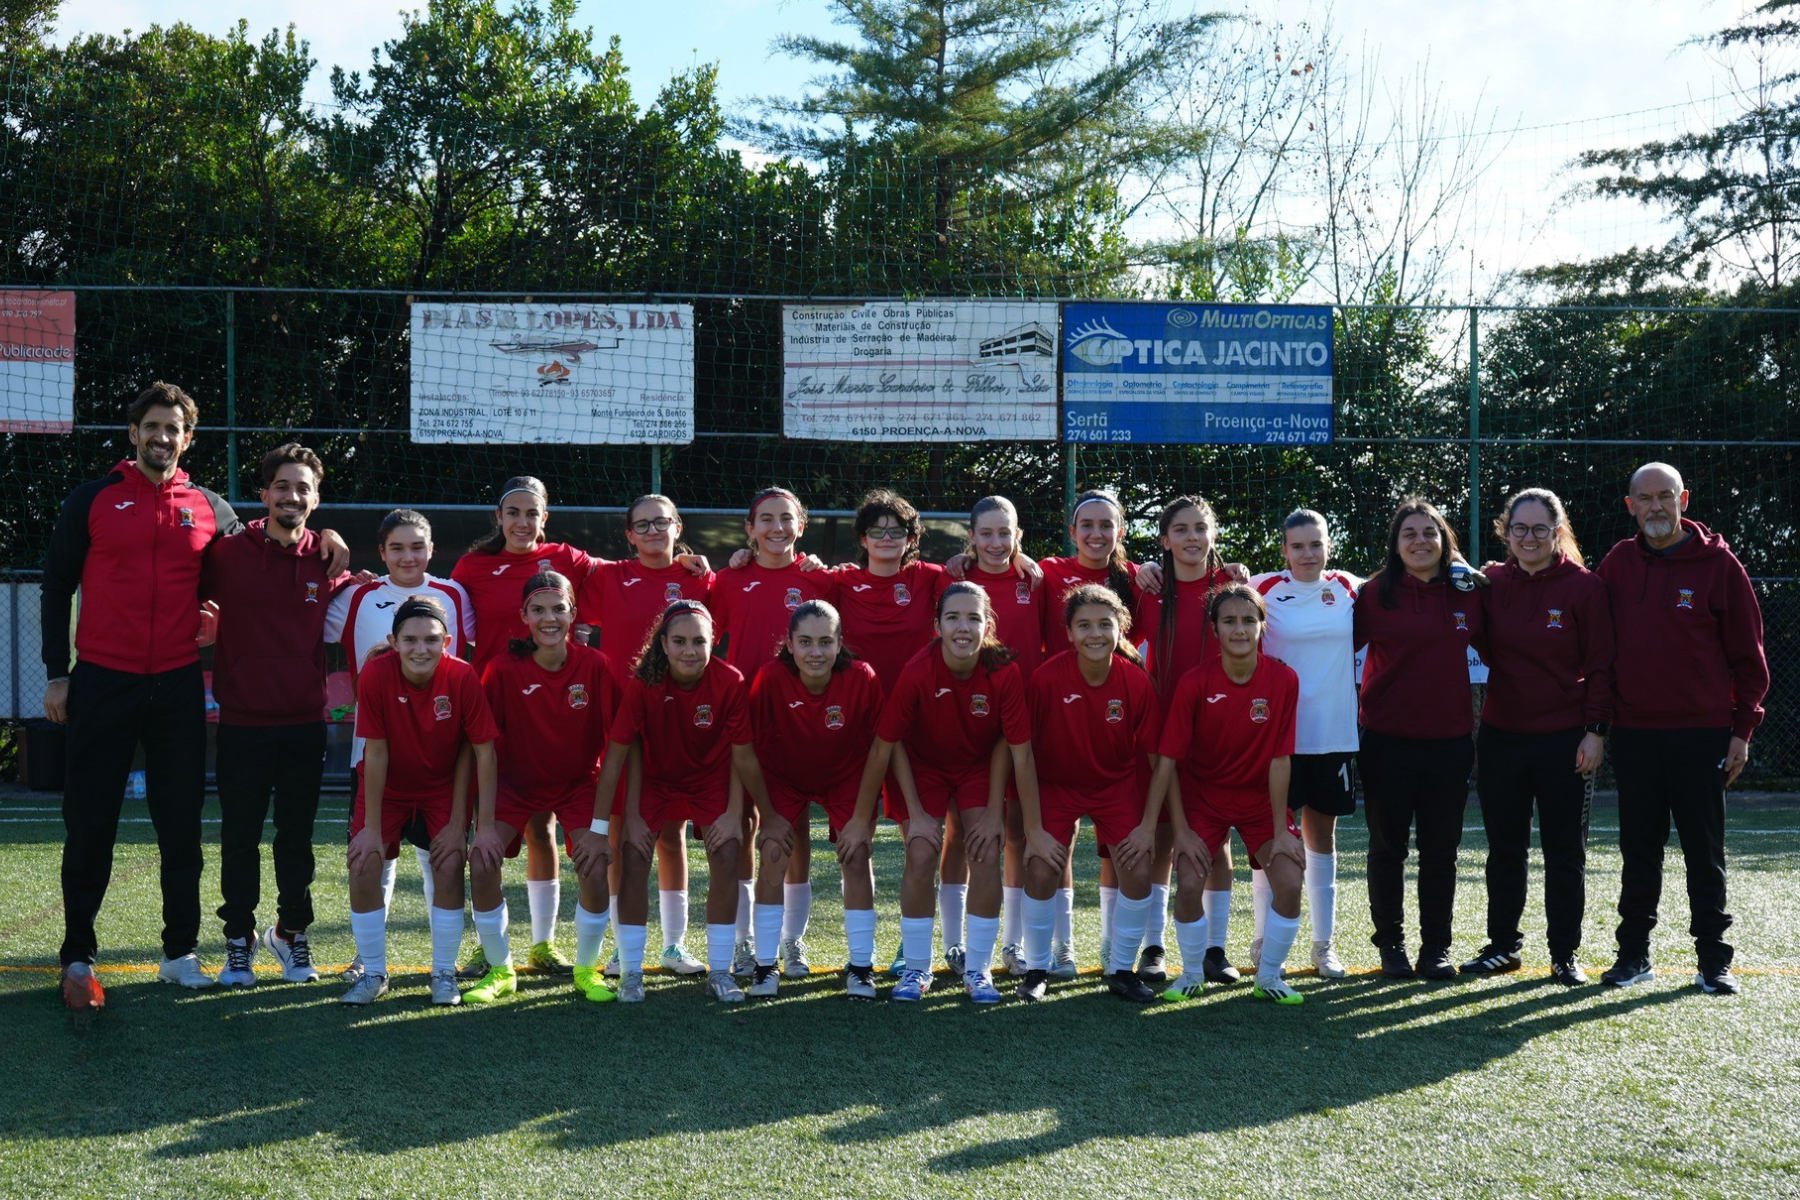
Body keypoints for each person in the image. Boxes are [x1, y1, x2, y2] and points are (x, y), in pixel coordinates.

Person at [41, 382, 347, 1011]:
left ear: (188, 438)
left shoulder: (210, 508)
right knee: (90, 824)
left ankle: (179, 953)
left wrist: (330, 541)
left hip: (178, 684)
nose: (162, 436)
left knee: (179, 827)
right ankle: (77, 953)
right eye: (151, 426)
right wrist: (57, 671)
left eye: (173, 428)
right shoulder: (91, 499)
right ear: (135, 433)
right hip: (101, 679)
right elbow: (55, 585)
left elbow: (271, 542)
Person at [1596, 462, 1767, 994]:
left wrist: (1742, 731)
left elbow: (1750, 657)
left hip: (1703, 733)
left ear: (1683, 500)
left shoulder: (1720, 565)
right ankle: (1633, 956)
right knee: (1638, 849)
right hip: (1636, 734)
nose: (1655, 507)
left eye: (1664, 496)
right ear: (1630, 507)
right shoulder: (1618, 564)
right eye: (1644, 498)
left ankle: (1714, 960)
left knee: (1703, 849)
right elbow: (1598, 650)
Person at [201, 442, 352, 987]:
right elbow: (184, 585)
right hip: (242, 722)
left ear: (315, 498)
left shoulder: (328, 558)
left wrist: (335, 540)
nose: (292, 496)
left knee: (296, 838)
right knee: (239, 837)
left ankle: (290, 933)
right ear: (264, 494)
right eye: (282, 487)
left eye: (303, 488)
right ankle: (237, 940)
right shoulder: (227, 554)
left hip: (303, 723)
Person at [580, 600, 769, 1003]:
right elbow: (615, 756)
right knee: (633, 856)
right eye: (679, 641)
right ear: (663, 644)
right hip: (654, 781)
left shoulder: (730, 681)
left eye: (699, 641)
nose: (689, 650)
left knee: (727, 852)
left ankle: (719, 971)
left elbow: (742, 754)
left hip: (710, 779)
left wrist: (738, 813)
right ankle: (631, 972)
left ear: (713, 641)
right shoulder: (643, 683)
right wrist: (614, 821)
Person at [1463, 489, 1613, 986]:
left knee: (1564, 852)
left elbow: (1600, 666)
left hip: (1564, 739)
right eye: (1520, 529)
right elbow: (1478, 639)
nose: (1529, 538)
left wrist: (1595, 732)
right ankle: (1504, 947)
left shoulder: (1583, 587)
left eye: (1539, 529)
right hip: (1503, 737)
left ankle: (1564, 954)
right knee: (1505, 850)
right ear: (1507, 531)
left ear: (1557, 532)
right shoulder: (1492, 582)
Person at [325, 508, 475, 984]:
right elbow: (305, 610)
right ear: (381, 552)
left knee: (443, 860)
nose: (407, 556)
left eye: (417, 546)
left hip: (442, 759)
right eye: (397, 547)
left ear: (431, 549)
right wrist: (333, 564)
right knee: (375, 857)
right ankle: (368, 961)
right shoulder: (358, 595)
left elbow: (467, 665)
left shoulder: (453, 594)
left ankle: (443, 965)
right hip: (373, 756)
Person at [872, 582, 1038, 1004]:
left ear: (988, 624)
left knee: (985, 848)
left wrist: (1006, 817)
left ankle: (978, 971)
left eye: (973, 618)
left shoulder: (1004, 670)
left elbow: (1016, 750)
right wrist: (915, 813)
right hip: (922, 768)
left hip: (978, 767)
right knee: (922, 850)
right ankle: (915, 967)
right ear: (937, 626)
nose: (963, 627)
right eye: (952, 618)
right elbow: (888, 745)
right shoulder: (917, 671)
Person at [468, 572, 624, 1005]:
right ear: (524, 616)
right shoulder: (502, 669)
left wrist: (599, 824)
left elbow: (617, 745)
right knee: (482, 860)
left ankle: (586, 968)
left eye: (559, 608)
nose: (549, 618)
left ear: (574, 613)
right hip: (514, 786)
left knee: (595, 863)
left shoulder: (595, 665)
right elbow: (483, 746)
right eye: (538, 609)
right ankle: (500, 970)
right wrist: (482, 824)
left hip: (577, 785)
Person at [578, 494, 714, 978]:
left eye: (663, 522)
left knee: (672, 836)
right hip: (619, 725)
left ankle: (675, 945)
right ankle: (623, 944)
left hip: (673, 724)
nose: (654, 530)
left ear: (678, 527)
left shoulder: (700, 580)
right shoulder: (608, 577)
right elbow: (550, 571)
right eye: (644, 524)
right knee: (620, 836)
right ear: (630, 535)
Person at [1150, 583, 1306, 1005]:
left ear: (1262, 626)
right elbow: (1169, 763)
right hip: (1203, 799)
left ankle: (1269, 976)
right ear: (1214, 629)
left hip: (1260, 803)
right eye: (1229, 621)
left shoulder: (1284, 680)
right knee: (1188, 883)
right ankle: (1189, 973)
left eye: (1248, 620)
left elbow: (1279, 759)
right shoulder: (1194, 682)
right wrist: (1180, 831)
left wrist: (1280, 830)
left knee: (1290, 882)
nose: (1240, 629)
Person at [342, 595, 498, 1006]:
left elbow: (482, 751)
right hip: (387, 788)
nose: (420, 648)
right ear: (394, 641)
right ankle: (374, 973)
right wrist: (372, 829)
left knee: (448, 864)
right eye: (410, 639)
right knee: (364, 864)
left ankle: (443, 974)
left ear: (447, 641)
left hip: (441, 789)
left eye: (431, 639)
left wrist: (473, 825)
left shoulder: (463, 677)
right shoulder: (375, 675)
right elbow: (374, 752)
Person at [710, 487, 838, 977]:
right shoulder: (729, 579)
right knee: (740, 831)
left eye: (786, 519)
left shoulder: (817, 579)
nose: (776, 528)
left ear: (801, 526)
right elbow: (703, 637)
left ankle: (791, 942)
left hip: (798, 723)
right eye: (766, 519)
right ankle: (744, 942)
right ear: (749, 528)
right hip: (742, 722)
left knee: (793, 831)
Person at [1353, 497, 1483, 980]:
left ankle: (1436, 949)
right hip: (1386, 741)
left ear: (1444, 540)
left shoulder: (1470, 592)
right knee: (1388, 848)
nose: (1420, 541)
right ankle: (1391, 945)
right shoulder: (1372, 595)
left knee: (1440, 851)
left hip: (1449, 743)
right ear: (1395, 544)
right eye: (1409, 533)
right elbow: (1329, 645)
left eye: (1429, 532)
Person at [1019, 586, 1162, 1003]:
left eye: (1105, 624)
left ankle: (1121, 969)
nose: (1095, 634)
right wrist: (1033, 829)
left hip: (1115, 786)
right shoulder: (1046, 678)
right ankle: (1037, 968)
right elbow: (1023, 754)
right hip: (1056, 785)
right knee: (1043, 867)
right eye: (1084, 625)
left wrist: (1149, 827)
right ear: (1068, 632)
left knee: (1136, 868)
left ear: (1121, 630)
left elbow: (1157, 760)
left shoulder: (1136, 682)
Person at [745, 601, 888, 999]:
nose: (815, 652)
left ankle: (861, 966)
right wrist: (767, 815)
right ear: (789, 644)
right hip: (785, 778)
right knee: (774, 852)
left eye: (826, 642)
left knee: (857, 855)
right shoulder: (770, 678)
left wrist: (862, 818)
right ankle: (765, 965)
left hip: (845, 777)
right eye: (805, 641)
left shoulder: (862, 677)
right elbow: (746, 748)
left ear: (840, 643)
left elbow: (881, 748)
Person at [1250, 509, 1363, 980]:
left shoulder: (1351, 588)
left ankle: (1323, 945)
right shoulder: (1263, 588)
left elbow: (1405, 578)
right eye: (1298, 546)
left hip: (1333, 736)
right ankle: (1261, 939)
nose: (1307, 553)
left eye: (1315, 544)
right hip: (1278, 740)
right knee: (1269, 840)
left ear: (1328, 545)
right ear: (1284, 550)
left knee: (1322, 840)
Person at [1131, 495, 1236, 987]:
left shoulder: (1232, 586)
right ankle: (1153, 947)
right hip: (1157, 732)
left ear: (1213, 534)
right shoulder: (1145, 587)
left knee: (1216, 844)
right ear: (1165, 538)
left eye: (1201, 528)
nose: (1192, 537)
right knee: (1160, 840)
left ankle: (1215, 948)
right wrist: (1144, 569)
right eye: (1181, 529)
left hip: (1217, 732)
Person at [959, 496, 1049, 980]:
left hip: (1024, 721)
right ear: (971, 537)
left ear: (1019, 536)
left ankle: (1014, 946)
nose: (996, 542)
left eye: (1005, 533)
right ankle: (955, 945)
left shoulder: (1039, 580)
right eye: (986, 534)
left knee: (1018, 832)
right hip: (969, 724)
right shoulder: (951, 579)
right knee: (962, 835)